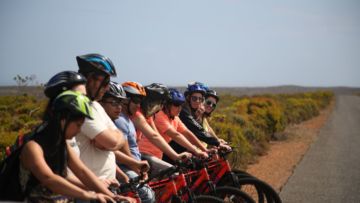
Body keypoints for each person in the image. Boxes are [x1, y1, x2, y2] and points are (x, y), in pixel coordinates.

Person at [19, 91, 116, 202]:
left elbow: (82, 171)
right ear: (63, 120)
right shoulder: (33, 147)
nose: (79, 130)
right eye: (78, 125)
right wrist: (89, 195)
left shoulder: (62, 145)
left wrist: (112, 196)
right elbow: (49, 179)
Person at [101, 81, 155, 203]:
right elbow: (118, 153)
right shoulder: (119, 121)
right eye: (135, 101)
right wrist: (137, 168)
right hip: (123, 169)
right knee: (147, 196)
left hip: (121, 171)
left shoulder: (127, 120)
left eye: (120, 102)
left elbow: (109, 152)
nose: (138, 105)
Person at [75, 53, 126, 183]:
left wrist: (113, 139)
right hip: (91, 190)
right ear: (90, 79)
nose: (107, 87)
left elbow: (119, 139)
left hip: (107, 185)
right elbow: (113, 142)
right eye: (105, 83)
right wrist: (113, 140)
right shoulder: (81, 106)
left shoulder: (96, 105)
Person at [124, 82, 191, 177]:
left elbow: (157, 135)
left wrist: (176, 155)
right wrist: (176, 156)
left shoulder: (148, 116)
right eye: (160, 103)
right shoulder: (137, 115)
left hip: (138, 156)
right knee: (174, 174)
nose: (160, 107)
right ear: (151, 102)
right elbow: (153, 136)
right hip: (140, 155)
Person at [149, 88, 208, 160]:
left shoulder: (175, 117)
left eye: (181, 105)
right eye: (176, 105)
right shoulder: (159, 115)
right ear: (167, 105)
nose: (180, 108)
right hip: (147, 154)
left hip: (158, 155)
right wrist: (196, 151)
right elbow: (176, 135)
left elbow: (187, 133)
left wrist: (204, 149)